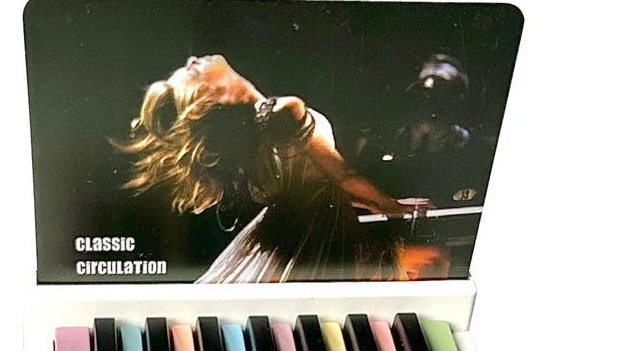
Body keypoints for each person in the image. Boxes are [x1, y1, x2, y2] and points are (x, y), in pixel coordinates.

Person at [117, 55, 436, 282]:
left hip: (284, 237)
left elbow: (319, 185)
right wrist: (391, 206)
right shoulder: (285, 110)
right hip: (315, 237)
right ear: (209, 93)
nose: (192, 59)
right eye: (192, 70)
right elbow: (341, 176)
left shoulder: (248, 138)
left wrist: (379, 204)